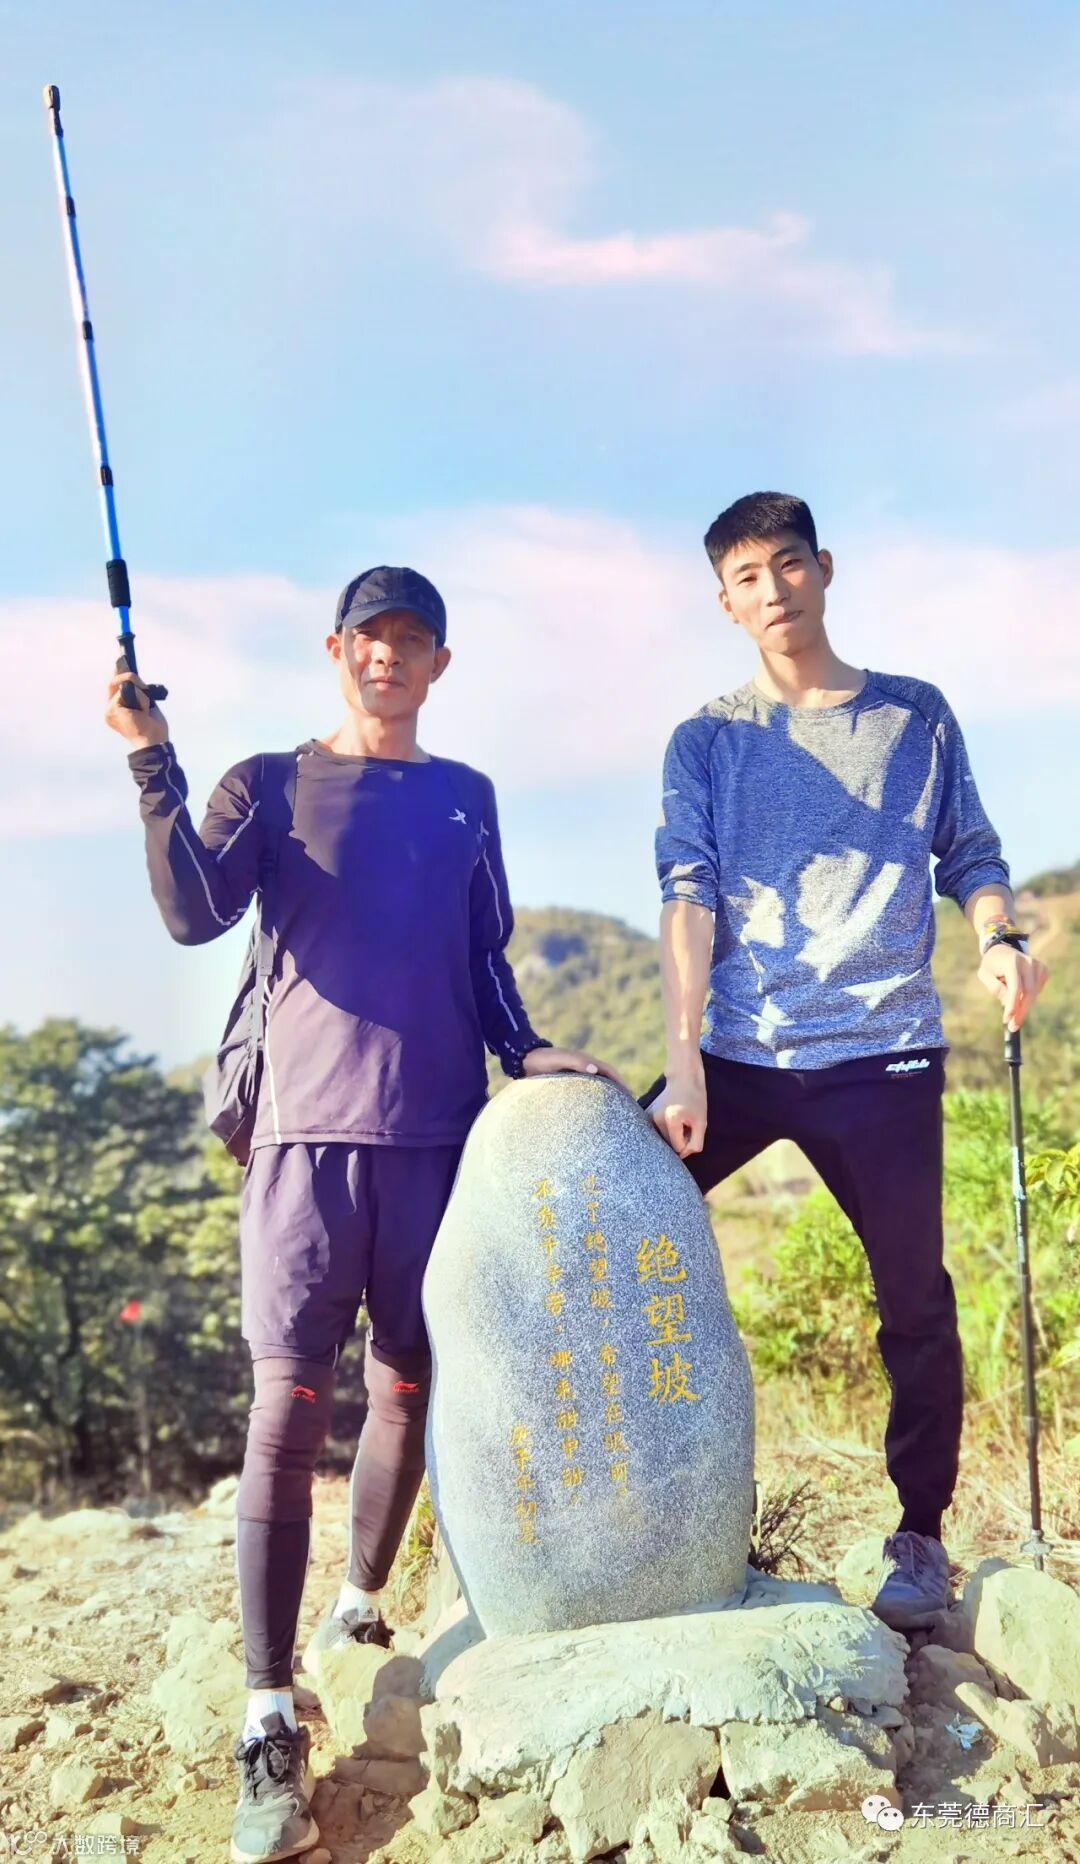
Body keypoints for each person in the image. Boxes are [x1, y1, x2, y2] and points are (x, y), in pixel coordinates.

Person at [106, 565, 624, 1864]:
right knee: (286, 1412)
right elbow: (192, 913)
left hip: (438, 1145)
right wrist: (152, 761)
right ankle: (266, 1719)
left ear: (440, 663)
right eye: (369, 637)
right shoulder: (268, 784)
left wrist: (528, 1050)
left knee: (406, 1385)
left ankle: (358, 1605)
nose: (388, 656)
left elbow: (483, 955)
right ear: (334, 649)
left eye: (412, 640)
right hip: (300, 1149)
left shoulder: (465, 797)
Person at [646, 492, 1049, 1636]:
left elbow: (970, 851)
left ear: (823, 568)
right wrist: (684, 1065)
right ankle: (612, 1506)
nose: (773, 588)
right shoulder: (707, 740)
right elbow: (687, 898)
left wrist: (999, 936)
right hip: (740, 1053)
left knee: (914, 1300)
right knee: (605, 1211)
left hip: (886, 1054)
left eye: (788, 563)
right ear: (724, 602)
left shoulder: (916, 715)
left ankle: (920, 1535)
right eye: (747, 576)